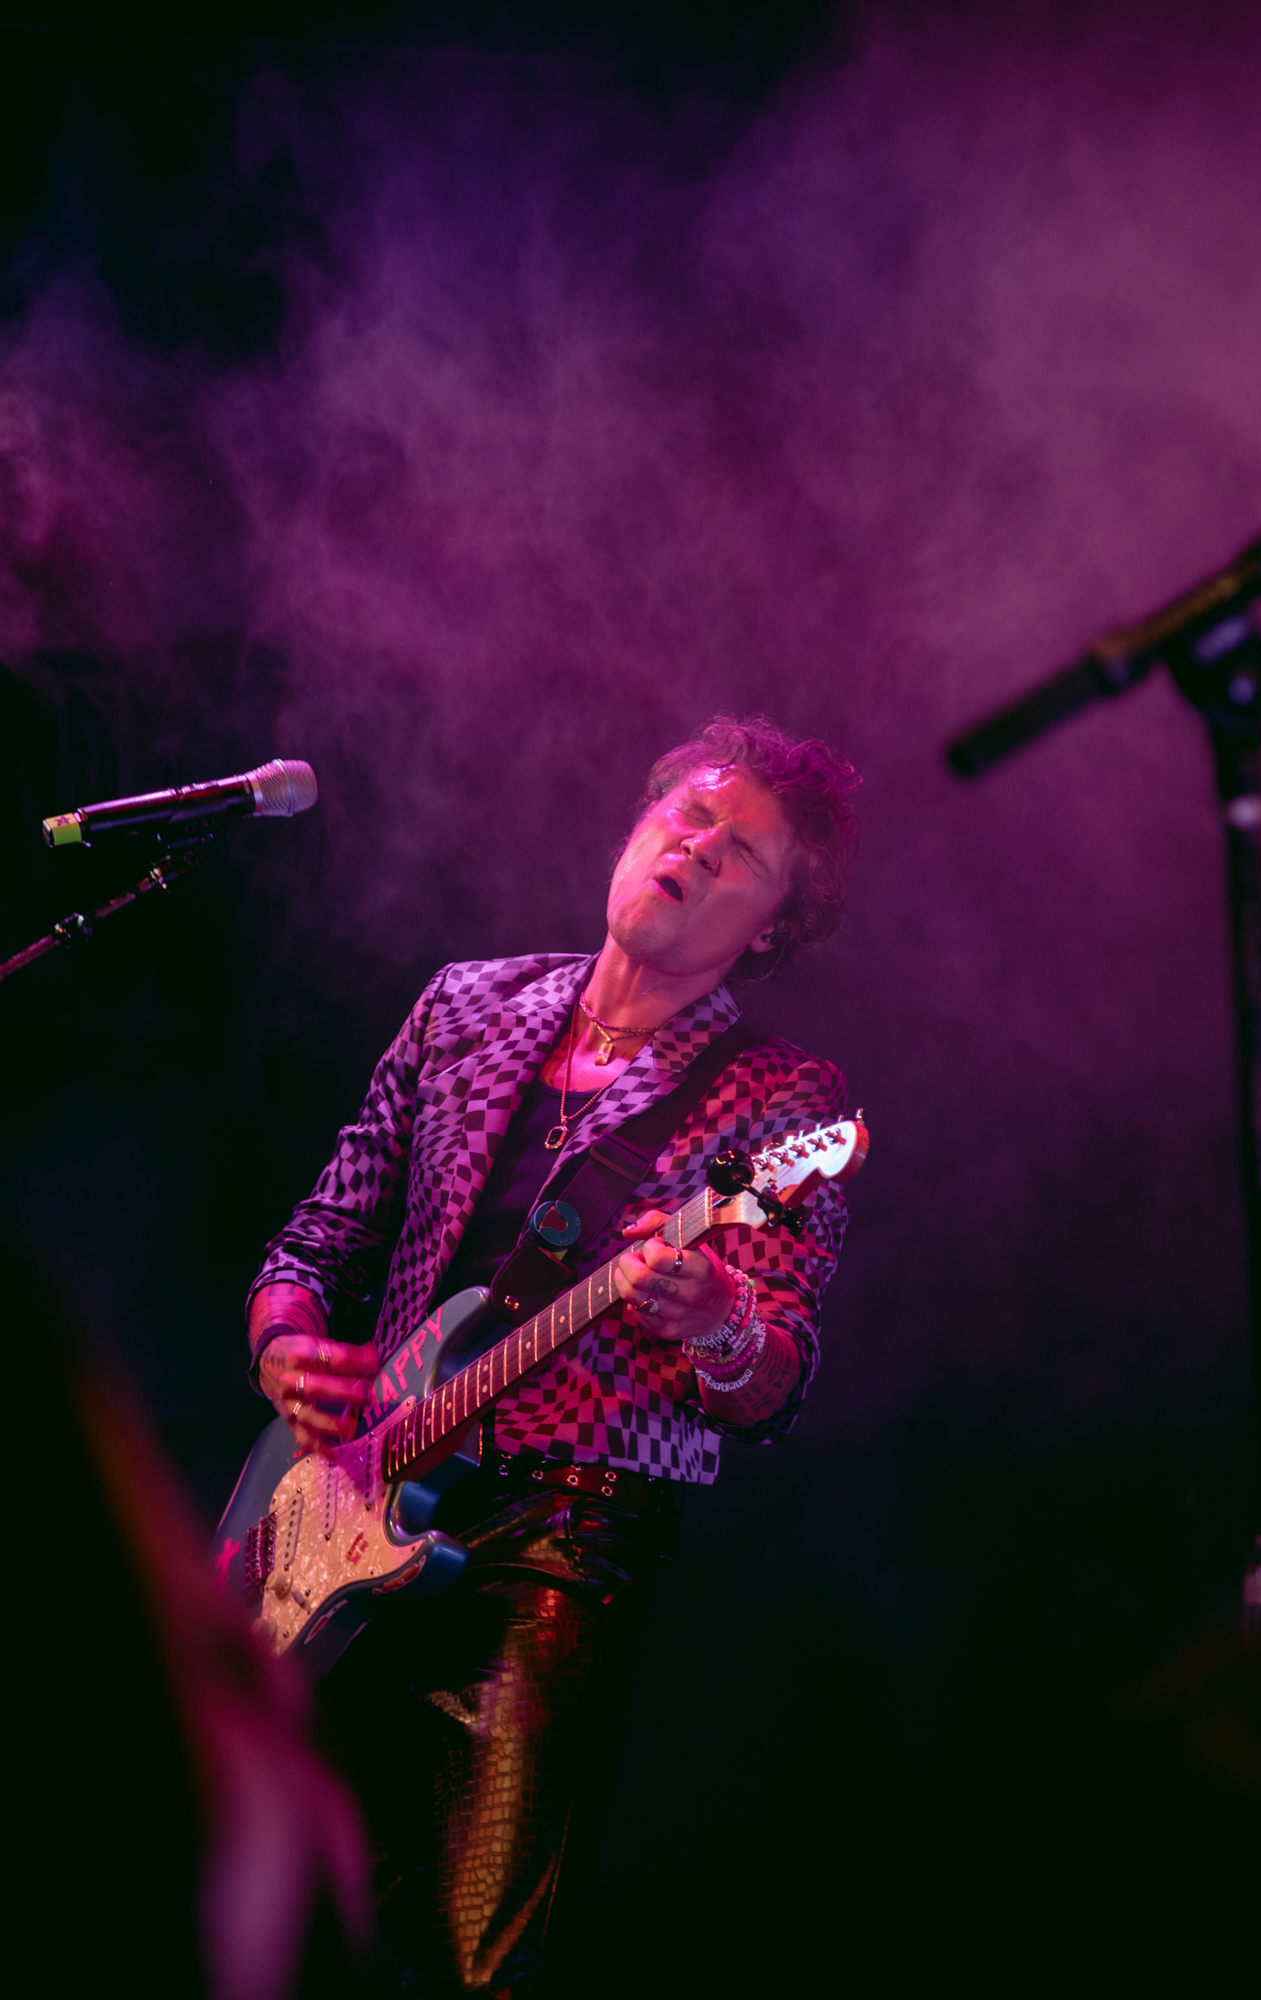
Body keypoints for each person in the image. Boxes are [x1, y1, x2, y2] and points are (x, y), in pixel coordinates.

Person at [245, 715, 861, 1997]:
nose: (697, 847)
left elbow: (775, 1380)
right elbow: (321, 1234)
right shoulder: (466, 1002)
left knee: (473, 1960)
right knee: (275, 1922)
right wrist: (284, 1340)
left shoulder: (780, 1099)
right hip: (347, 1501)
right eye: (687, 815)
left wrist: (716, 1316)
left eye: (741, 851)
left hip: (555, 1542)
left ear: (773, 927)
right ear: (637, 825)